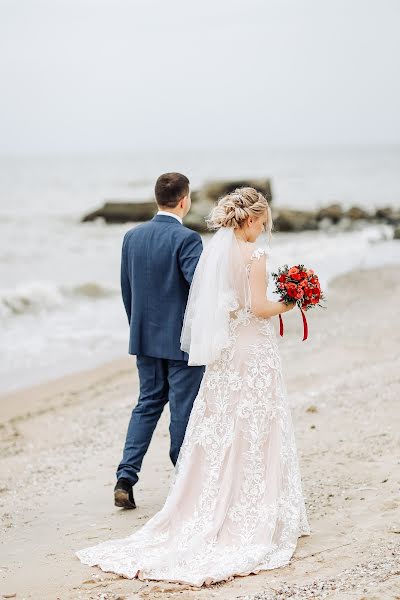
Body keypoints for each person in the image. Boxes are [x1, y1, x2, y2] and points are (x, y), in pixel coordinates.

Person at [76, 187, 310, 586]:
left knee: (184, 413)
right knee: (228, 418)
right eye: (263, 220)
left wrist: (137, 326)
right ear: (251, 219)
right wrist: (290, 301)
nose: (265, 226)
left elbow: (135, 290)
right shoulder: (232, 250)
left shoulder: (138, 238)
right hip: (232, 346)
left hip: (159, 340)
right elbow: (245, 304)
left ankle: (131, 477)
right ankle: (220, 493)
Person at [113, 172, 205, 509]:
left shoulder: (131, 237)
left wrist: (138, 330)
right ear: (184, 200)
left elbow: (128, 290)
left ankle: (125, 477)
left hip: (145, 339)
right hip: (182, 343)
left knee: (147, 404)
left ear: (158, 199)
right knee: (183, 409)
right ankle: (183, 479)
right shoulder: (188, 239)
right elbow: (199, 289)